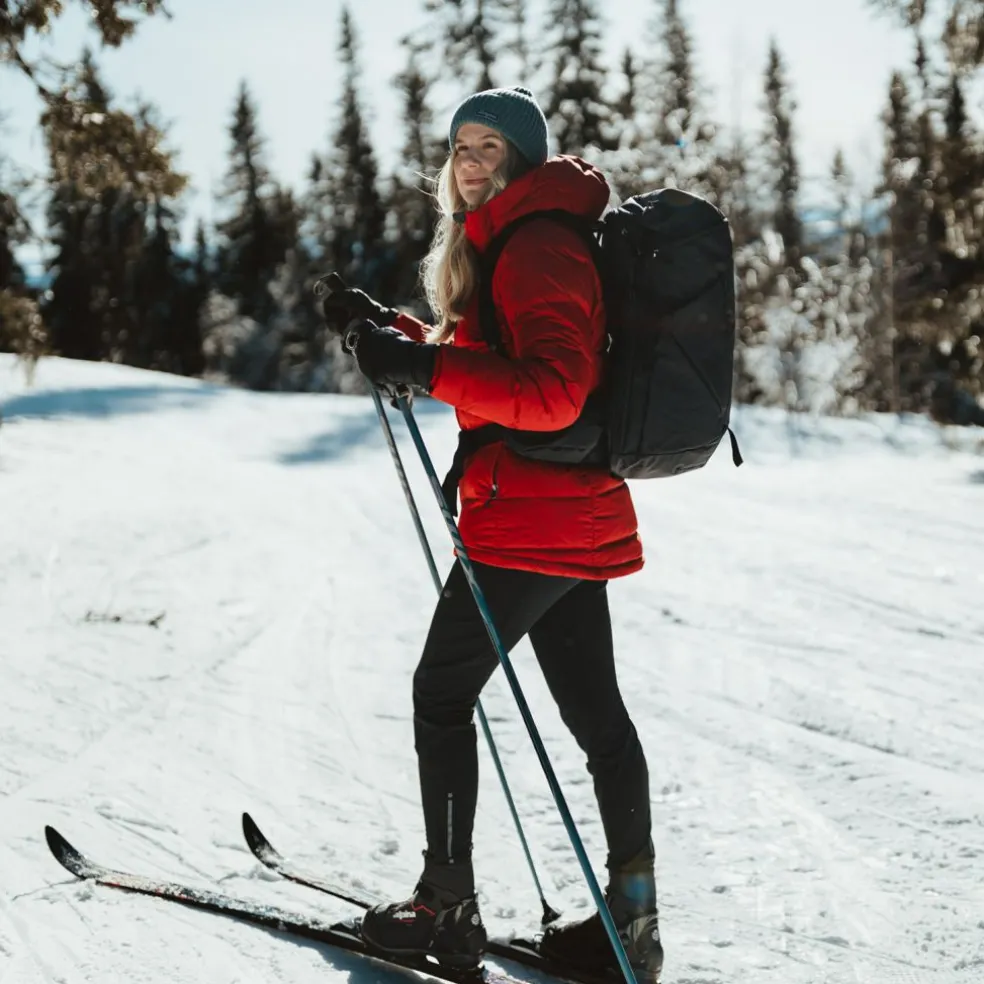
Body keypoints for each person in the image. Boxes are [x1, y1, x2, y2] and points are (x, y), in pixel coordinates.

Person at [321, 85, 662, 984]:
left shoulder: (538, 241)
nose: (471, 163)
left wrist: (425, 365)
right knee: (598, 722)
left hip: (530, 521)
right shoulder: (524, 233)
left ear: (522, 157)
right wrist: (390, 333)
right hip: (564, 513)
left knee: (441, 694)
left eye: (489, 147)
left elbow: (553, 390)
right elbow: (492, 359)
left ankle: (446, 905)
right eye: (460, 147)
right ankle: (631, 928)